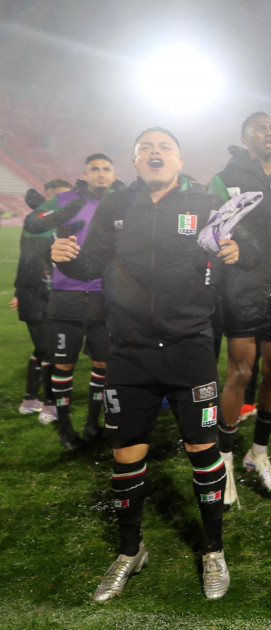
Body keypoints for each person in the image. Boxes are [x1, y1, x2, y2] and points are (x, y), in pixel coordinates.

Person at [51, 127, 254, 600]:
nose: (155, 153)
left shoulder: (205, 203)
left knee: (202, 450)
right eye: (146, 148)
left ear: (180, 160)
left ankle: (213, 550)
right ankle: (130, 551)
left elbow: (249, 250)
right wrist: (65, 259)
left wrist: (238, 250)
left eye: (165, 147)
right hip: (129, 350)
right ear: (135, 161)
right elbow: (90, 264)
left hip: (190, 348)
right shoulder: (116, 205)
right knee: (126, 454)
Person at [208, 112, 271, 505]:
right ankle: (224, 459)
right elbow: (216, 229)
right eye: (262, 129)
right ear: (245, 137)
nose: (270, 133)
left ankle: (258, 453)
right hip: (243, 288)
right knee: (240, 372)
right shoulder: (224, 178)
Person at [24, 154, 122, 449]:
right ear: (85, 173)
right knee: (64, 365)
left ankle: (93, 423)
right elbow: (32, 223)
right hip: (67, 295)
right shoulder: (67, 199)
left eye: (106, 169)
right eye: (95, 169)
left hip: (105, 295)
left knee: (103, 364)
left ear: (113, 174)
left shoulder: (121, 201)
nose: (101, 174)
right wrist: (54, 216)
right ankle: (65, 429)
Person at [11, 182, 69, 421]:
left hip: (38, 295)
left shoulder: (52, 223)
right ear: (49, 197)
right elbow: (34, 262)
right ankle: (49, 405)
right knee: (51, 350)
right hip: (41, 296)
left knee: (43, 348)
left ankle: (29, 400)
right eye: (60, 196)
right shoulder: (40, 224)